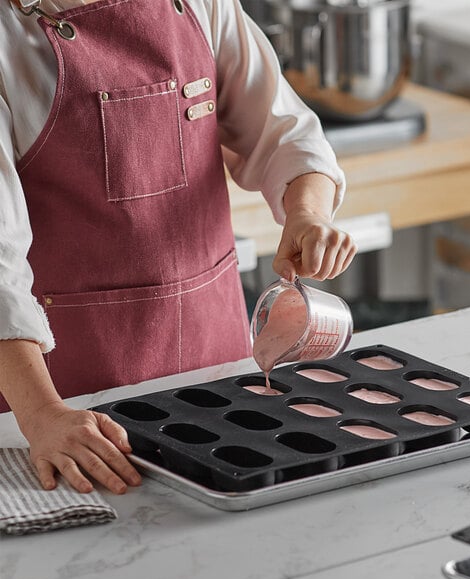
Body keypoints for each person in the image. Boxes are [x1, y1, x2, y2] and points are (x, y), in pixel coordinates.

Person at [0, 0, 356, 495]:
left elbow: (284, 131)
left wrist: (308, 214)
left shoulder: (201, 4)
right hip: (71, 413)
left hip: (223, 382)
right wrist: (42, 416)